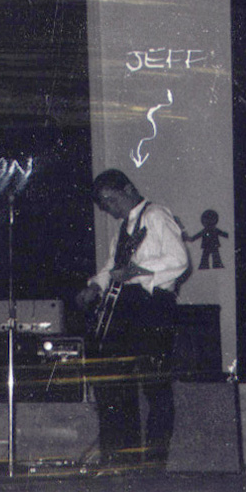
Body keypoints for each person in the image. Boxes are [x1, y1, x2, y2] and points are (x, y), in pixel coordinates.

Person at [75, 169, 189, 469]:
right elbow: (112, 268)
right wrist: (95, 286)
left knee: (155, 388)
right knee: (116, 384)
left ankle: (153, 464)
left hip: (153, 307)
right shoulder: (123, 230)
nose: (110, 209)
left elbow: (179, 260)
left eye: (112, 200)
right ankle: (120, 460)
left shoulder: (156, 215)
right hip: (127, 310)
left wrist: (139, 270)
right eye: (105, 205)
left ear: (128, 189)